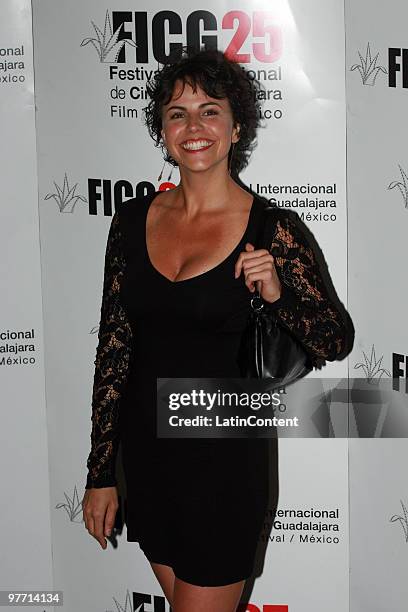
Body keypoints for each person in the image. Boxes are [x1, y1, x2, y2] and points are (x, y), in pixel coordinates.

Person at [82, 47, 350, 612]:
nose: (194, 126)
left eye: (210, 110)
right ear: (162, 129)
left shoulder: (274, 229)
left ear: (236, 127)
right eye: (177, 113)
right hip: (147, 457)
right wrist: (100, 473)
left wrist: (277, 294)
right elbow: (114, 352)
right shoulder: (131, 221)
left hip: (224, 462)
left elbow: (333, 339)